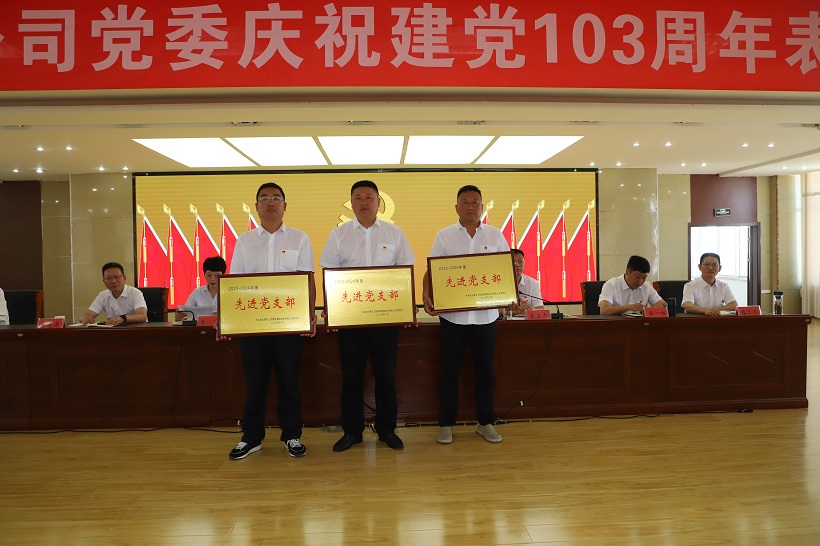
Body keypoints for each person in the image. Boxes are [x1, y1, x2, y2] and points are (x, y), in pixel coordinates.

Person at [319, 180, 416, 452]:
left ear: (378, 202)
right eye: (358, 197)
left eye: (369, 197)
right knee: (351, 378)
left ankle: (387, 430)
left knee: (386, 376)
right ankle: (352, 432)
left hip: (385, 320)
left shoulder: (395, 233)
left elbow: (405, 274)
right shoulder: (338, 235)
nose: (364, 202)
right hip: (350, 320)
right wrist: (331, 310)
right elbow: (329, 274)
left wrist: (407, 308)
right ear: (351, 203)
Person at [227, 182, 316, 460]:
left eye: (276, 198)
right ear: (256, 206)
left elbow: (307, 280)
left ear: (285, 206)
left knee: (289, 381)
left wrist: (309, 315)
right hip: (253, 326)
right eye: (264, 198)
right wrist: (228, 319)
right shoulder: (244, 241)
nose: (270, 202)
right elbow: (234, 284)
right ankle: (251, 438)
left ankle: (292, 435)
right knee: (255, 384)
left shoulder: (300, 239)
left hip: (288, 324)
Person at [423, 185, 509, 445]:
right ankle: (446, 424)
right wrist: (426, 295)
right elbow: (432, 270)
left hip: (486, 318)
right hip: (453, 319)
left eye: (475, 202)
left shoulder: (495, 235)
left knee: (486, 372)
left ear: (482, 206)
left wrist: (509, 294)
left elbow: (505, 269)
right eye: (465, 202)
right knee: (449, 372)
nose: (470, 206)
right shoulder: (444, 236)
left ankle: (486, 422)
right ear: (457, 207)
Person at [79, 262, 148, 325]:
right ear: (104, 281)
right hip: (113, 332)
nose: (113, 281)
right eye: (109, 278)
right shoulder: (103, 295)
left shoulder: (135, 293)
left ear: (124, 278)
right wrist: (85, 319)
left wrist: (122, 319)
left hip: (134, 331)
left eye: (116, 277)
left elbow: (142, 316)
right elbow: (85, 316)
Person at [599, 255, 666, 315]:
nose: (640, 281)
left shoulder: (646, 286)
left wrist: (656, 308)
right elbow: (604, 310)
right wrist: (629, 307)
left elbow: (663, 305)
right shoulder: (611, 285)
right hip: (617, 323)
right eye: (637, 277)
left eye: (644, 278)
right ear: (628, 272)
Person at [511, 248, 544, 315]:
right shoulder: (500, 283)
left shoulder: (532, 283)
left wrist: (528, 310)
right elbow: (494, 310)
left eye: (520, 261)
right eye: (513, 261)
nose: (517, 265)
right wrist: (516, 311)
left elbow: (540, 308)